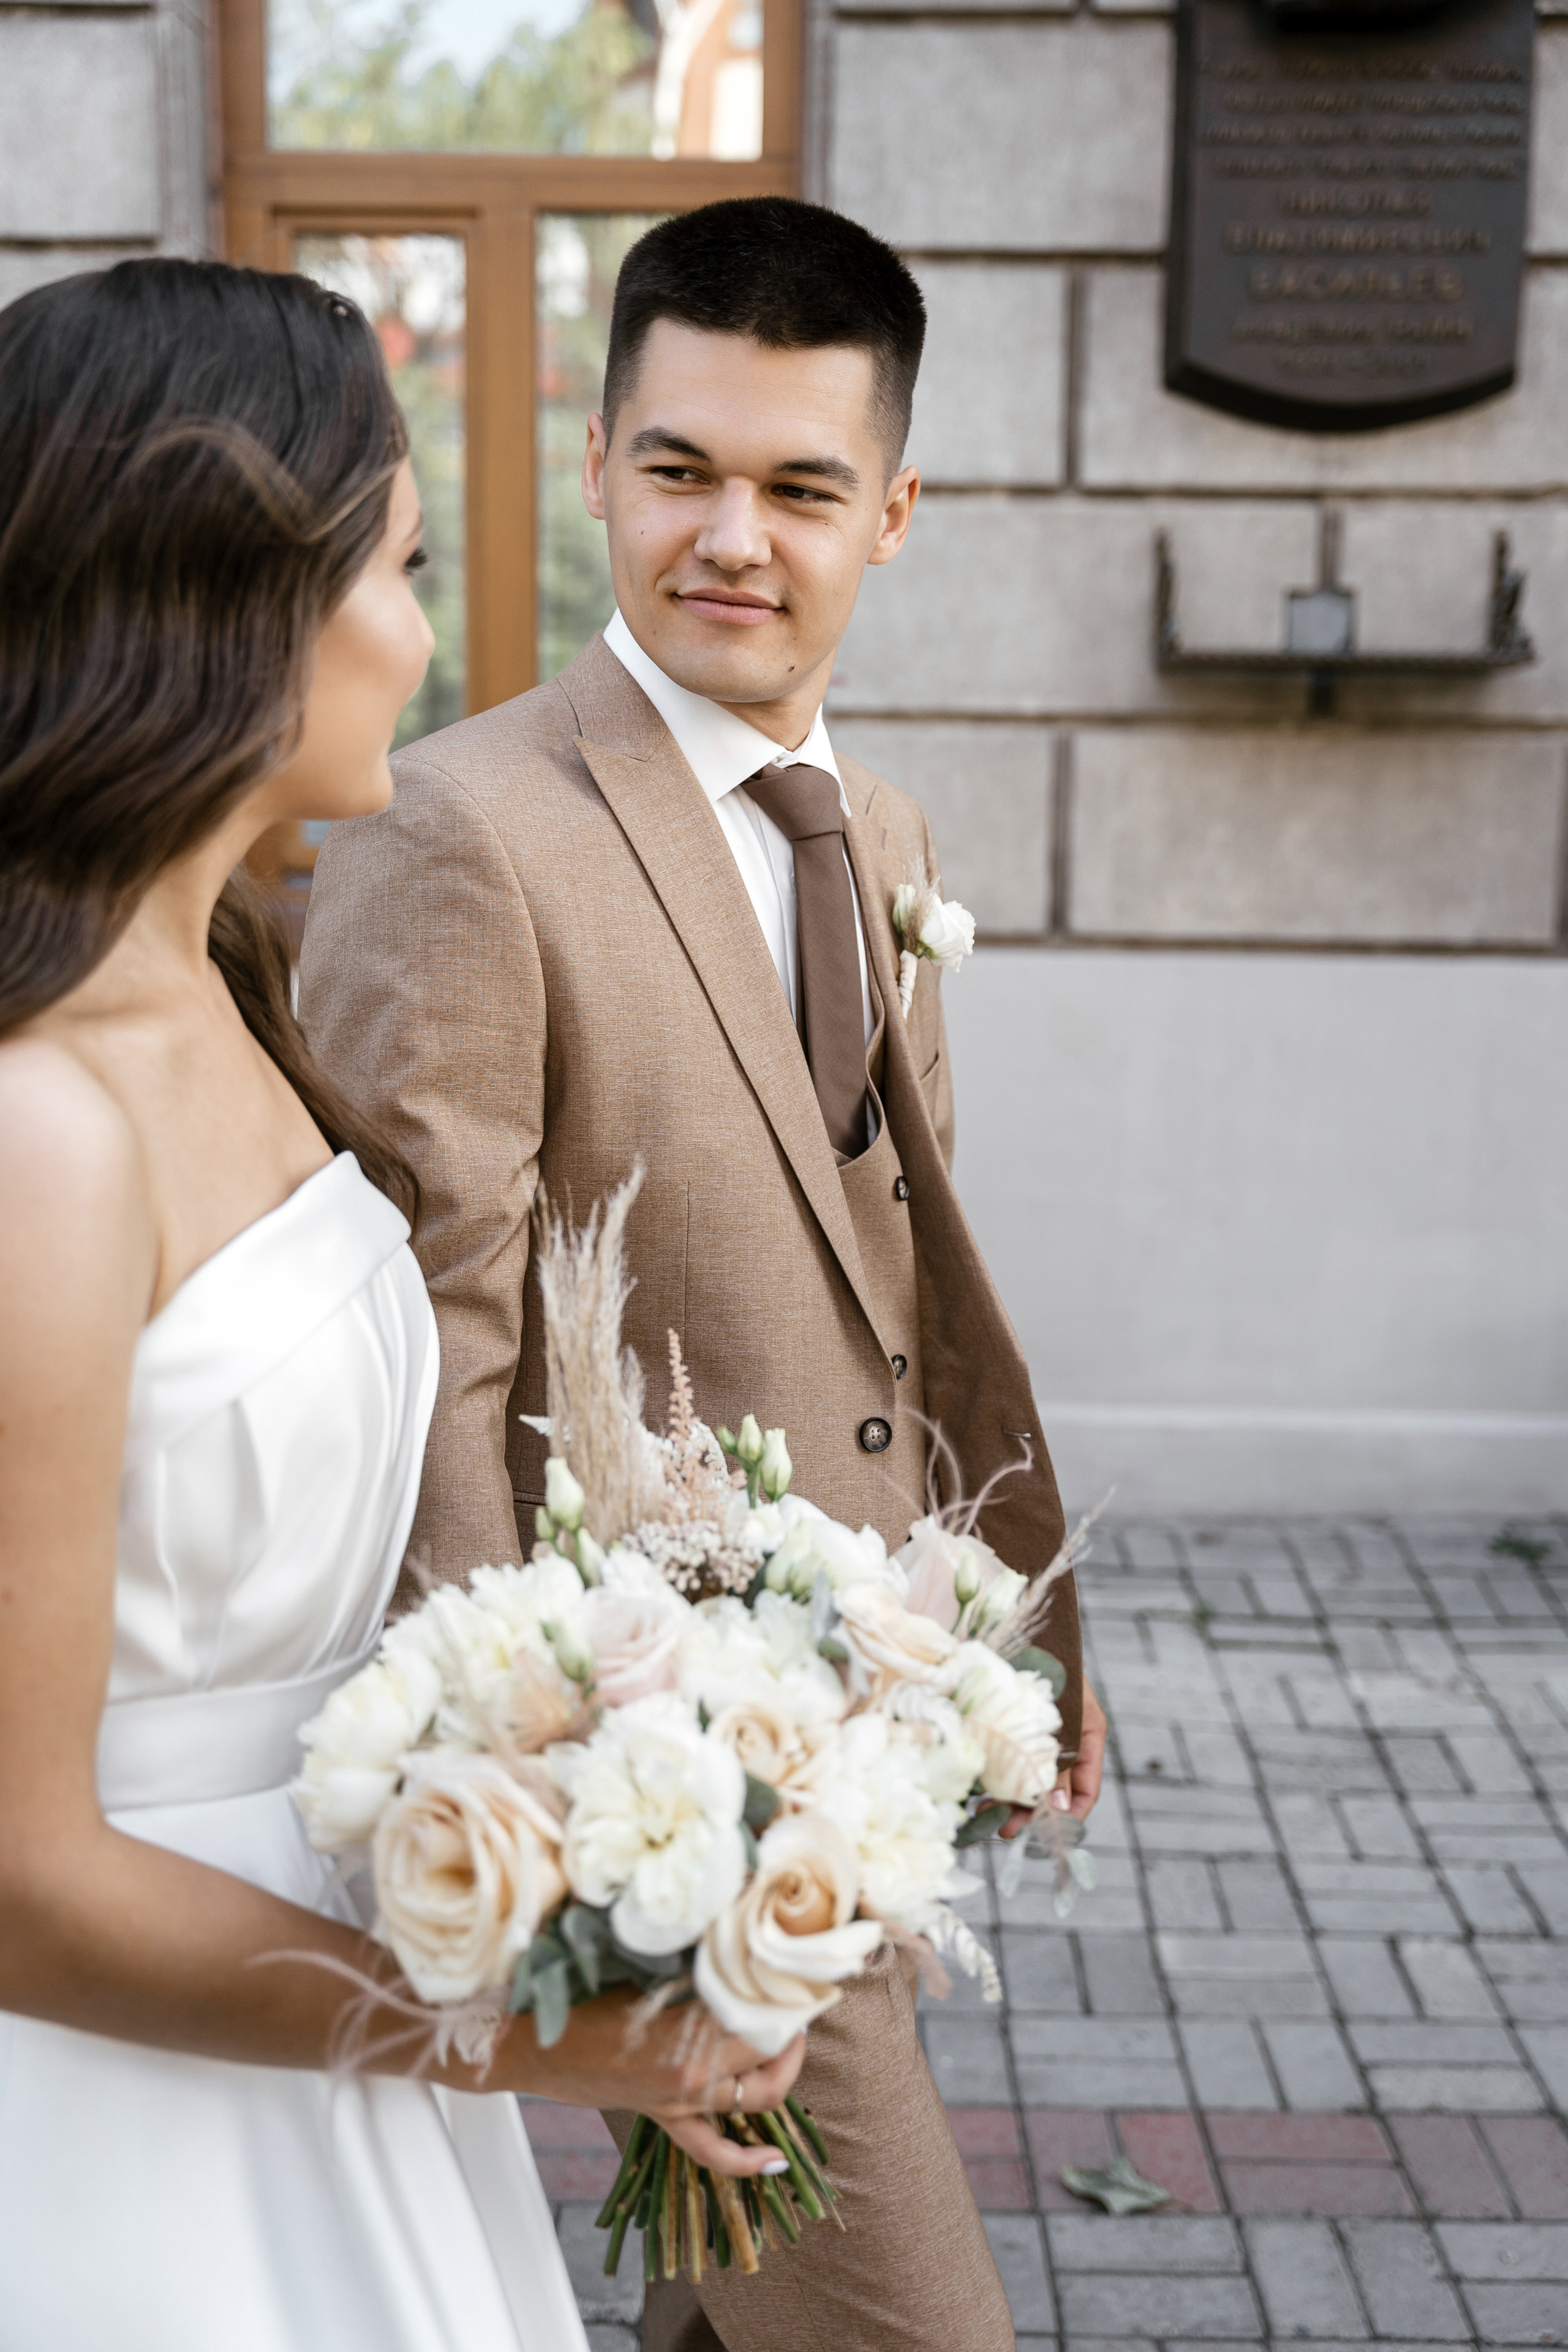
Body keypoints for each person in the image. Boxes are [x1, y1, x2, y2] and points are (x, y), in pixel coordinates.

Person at [301, 197, 1109, 2352]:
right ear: (595, 462)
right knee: (908, 2322)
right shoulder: (460, 833)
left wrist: (1009, 1641)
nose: (731, 535)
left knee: (730, 2296)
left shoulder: (895, 838)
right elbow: (438, 1350)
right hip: (664, 1776)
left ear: (895, 511)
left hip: (879, 1722)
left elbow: (898, 1291)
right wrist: (531, 1797)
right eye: (681, 470)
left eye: (800, 488)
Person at [0, 257, 802, 2352]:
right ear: (229, 594)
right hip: (122, 2119)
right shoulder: (41, 1131)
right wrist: (532, 2045)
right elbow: (16, 1877)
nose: (432, 638)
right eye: (407, 561)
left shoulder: (233, 996)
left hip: (332, 2036)